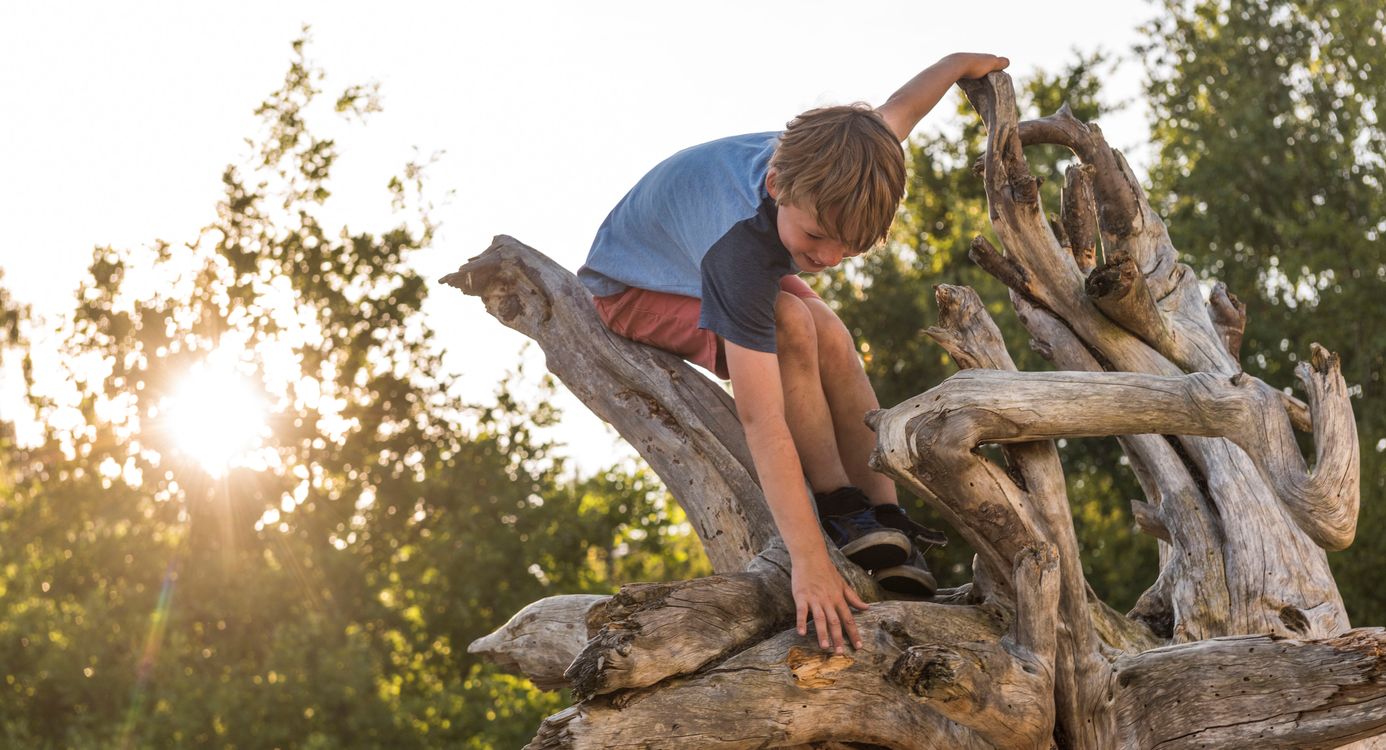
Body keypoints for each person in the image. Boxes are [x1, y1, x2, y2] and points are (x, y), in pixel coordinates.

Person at [577, 52, 1010, 656]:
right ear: (778, 187)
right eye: (817, 238)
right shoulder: (739, 252)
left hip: (712, 253)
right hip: (635, 288)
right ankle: (839, 507)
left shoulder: (849, 158)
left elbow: (899, 111)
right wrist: (809, 560)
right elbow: (762, 421)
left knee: (829, 332)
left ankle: (885, 520)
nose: (830, 258)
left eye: (850, 248)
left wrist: (961, 62)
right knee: (791, 327)